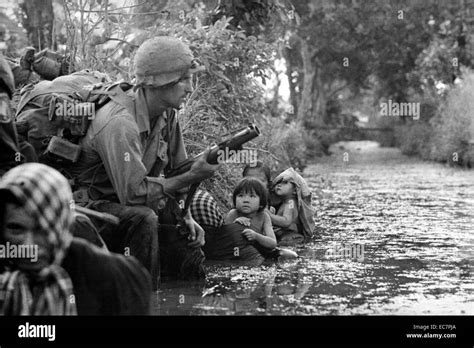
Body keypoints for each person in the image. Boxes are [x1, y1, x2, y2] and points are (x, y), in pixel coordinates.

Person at [69, 36, 220, 289]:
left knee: (184, 233)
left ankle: (186, 296)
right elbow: (133, 195)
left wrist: (187, 216)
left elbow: (178, 170)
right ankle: (144, 298)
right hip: (91, 210)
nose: (190, 88)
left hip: (128, 204)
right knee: (143, 218)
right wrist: (192, 177)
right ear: (158, 84)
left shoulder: (167, 113)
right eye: (184, 80)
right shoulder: (120, 122)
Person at [0, 163, 151, 315]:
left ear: (61, 225)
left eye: (43, 229)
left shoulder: (114, 278)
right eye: (16, 229)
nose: (29, 245)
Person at [224, 177, 277, 251]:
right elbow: (223, 240)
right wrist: (235, 226)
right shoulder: (233, 214)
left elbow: (273, 243)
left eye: (252, 196)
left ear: (261, 203)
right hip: (237, 250)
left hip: (257, 250)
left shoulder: (264, 216)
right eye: (241, 196)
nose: (245, 200)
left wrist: (256, 236)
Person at [267, 168, 316, 245]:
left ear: (295, 190)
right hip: (285, 235)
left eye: (285, 183)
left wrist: (270, 216)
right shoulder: (285, 203)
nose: (279, 185)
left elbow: (286, 222)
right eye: (278, 182)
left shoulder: (290, 203)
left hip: (290, 236)